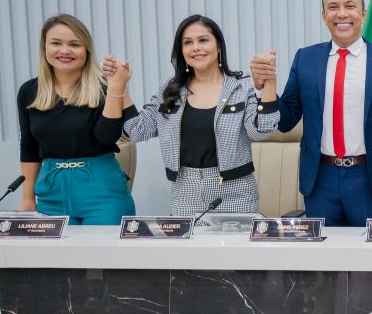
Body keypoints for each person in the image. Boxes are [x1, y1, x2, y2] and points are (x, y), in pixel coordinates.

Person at [249, 0, 372, 226]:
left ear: (363, 14)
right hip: (321, 178)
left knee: (371, 261)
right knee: (324, 260)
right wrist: (266, 86)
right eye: (333, 7)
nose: (342, 13)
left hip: (370, 177)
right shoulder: (306, 59)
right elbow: (286, 120)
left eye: (350, 6)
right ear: (324, 16)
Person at [115, 15, 279, 216]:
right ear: (181, 51)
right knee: (189, 248)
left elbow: (262, 130)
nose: (195, 48)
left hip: (236, 194)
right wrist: (120, 86)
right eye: (188, 43)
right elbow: (136, 131)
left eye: (203, 40)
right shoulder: (169, 89)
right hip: (185, 194)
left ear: (218, 46)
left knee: (234, 248)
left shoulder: (242, 87)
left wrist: (268, 82)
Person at [16, 14, 135, 224]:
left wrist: (117, 88)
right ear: (44, 47)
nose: (64, 51)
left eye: (74, 44)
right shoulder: (29, 91)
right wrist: (27, 198)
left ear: (86, 50)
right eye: (56, 43)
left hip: (103, 192)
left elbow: (107, 137)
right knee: (55, 257)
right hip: (51, 192)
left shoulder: (105, 87)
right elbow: (29, 147)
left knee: (102, 256)